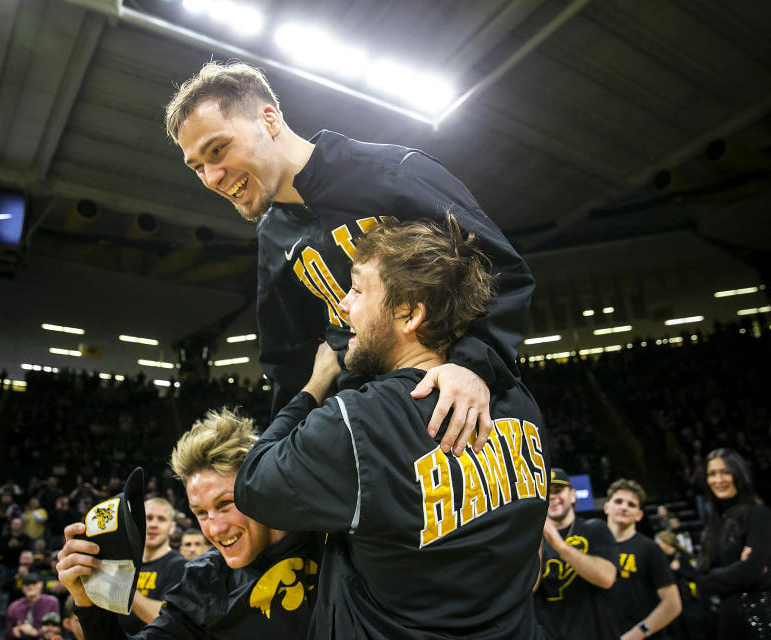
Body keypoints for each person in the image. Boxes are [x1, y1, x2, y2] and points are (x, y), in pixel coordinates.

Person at [165, 60, 535, 457]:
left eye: (218, 149)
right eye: (197, 167)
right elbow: (289, 362)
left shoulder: (392, 171)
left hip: (466, 410)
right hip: (371, 432)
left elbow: (499, 267)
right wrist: (290, 449)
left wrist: (473, 365)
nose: (210, 177)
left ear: (269, 120)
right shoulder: (272, 236)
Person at [234, 216, 548, 638]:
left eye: (358, 289)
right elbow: (532, 566)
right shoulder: (519, 403)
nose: (342, 305)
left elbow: (253, 483)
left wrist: (312, 388)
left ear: (409, 314)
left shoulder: (357, 422)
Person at [56, 409, 320, 639]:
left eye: (225, 504)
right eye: (201, 513)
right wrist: (87, 599)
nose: (215, 529)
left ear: (259, 489)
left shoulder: (327, 535)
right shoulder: (203, 583)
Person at [676, 448, 771, 639]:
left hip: (760, 619)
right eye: (712, 474)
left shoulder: (758, 514)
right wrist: (740, 569)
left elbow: (752, 570)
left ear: (739, 474)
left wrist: (716, 575)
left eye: (726, 472)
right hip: (725, 621)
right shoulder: (713, 524)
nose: (718, 480)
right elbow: (700, 581)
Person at [535, 468, 618, 640]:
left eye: (558, 491)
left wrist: (560, 546)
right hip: (548, 633)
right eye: (546, 492)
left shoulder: (595, 528)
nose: (552, 496)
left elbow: (607, 578)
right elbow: (530, 588)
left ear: (573, 495)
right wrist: (537, 538)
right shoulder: (534, 539)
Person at [603, 479, 681, 639]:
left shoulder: (650, 549)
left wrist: (637, 633)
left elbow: (672, 604)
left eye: (631, 504)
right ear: (606, 507)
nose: (624, 507)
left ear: (639, 515)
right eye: (618, 501)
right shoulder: (593, 548)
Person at [121, 499, 185, 632]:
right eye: (148, 518)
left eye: (161, 519)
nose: (153, 524)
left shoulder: (180, 566)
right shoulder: (125, 564)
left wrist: (123, 587)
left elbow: (166, 618)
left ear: (172, 527)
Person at [4, 574, 59, 640]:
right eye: (26, 584)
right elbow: (7, 632)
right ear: (22, 587)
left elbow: (57, 629)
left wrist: (36, 632)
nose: (30, 587)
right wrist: (14, 632)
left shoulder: (51, 602)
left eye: (33, 583)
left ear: (40, 584)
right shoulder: (14, 606)